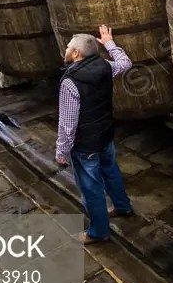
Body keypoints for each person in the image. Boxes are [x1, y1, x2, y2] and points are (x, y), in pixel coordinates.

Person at [55, 25, 133, 244]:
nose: (66, 49)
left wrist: (62, 151)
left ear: (77, 54)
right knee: (111, 171)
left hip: (85, 144)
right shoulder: (105, 66)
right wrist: (109, 43)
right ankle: (123, 207)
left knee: (91, 188)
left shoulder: (70, 82)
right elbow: (126, 64)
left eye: (69, 47)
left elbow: (68, 124)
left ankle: (98, 232)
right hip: (105, 134)